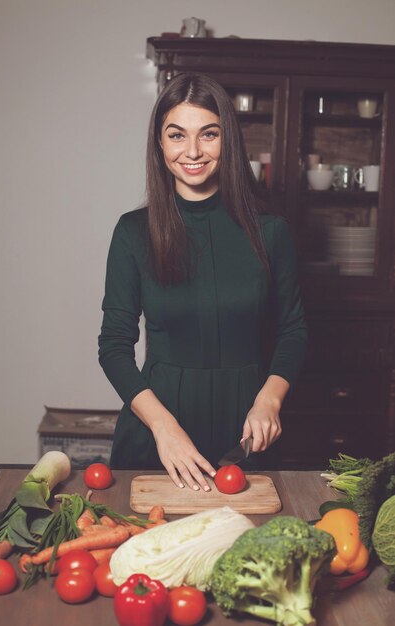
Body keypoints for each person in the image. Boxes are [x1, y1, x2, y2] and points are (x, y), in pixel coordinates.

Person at [98, 73, 308, 492]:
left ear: (226, 139)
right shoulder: (132, 232)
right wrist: (164, 429)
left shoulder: (271, 231)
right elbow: (114, 347)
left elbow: (293, 331)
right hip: (157, 436)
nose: (192, 151)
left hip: (246, 436)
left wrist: (270, 400)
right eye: (177, 135)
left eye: (208, 134)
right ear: (160, 144)